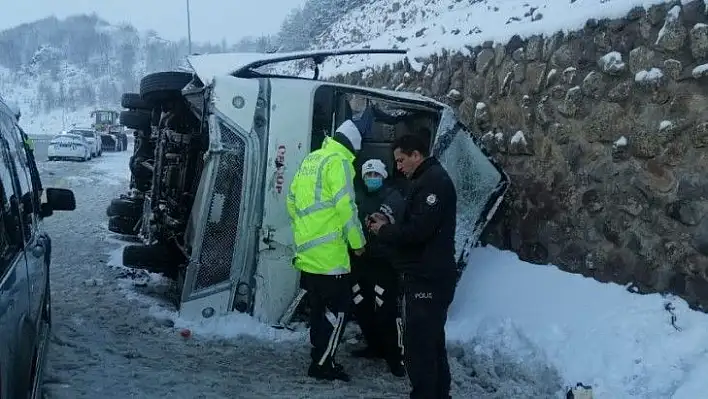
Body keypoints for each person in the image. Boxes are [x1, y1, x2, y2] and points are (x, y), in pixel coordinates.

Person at [367, 133, 458, 399]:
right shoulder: (425, 180)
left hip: (427, 279)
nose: (398, 166)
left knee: (419, 348)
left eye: (401, 160)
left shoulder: (432, 183)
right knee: (432, 344)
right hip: (425, 275)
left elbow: (418, 231)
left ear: (416, 155)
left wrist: (384, 230)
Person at [286, 117, 368, 382]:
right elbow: (346, 207)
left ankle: (318, 355)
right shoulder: (339, 162)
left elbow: (291, 199)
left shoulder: (312, 159)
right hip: (331, 257)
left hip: (308, 255)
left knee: (320, 311)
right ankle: (323, 364)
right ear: (352, 146)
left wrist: (307, 229)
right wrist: (358, 244)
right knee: (339, 312)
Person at [349, 158, 406, 377]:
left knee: (387, 310)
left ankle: (396, 356)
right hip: (361, 261)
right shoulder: (358, 196)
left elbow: (385, 217)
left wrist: (375, 221)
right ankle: (374, 346)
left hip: (384, 262)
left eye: (376, 175)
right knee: (361, 306)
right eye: (368, 175)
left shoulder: (392, 197)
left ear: (383, 176)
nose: (372, 179)